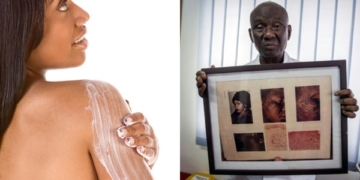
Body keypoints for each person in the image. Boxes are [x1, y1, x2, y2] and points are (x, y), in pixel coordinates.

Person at [195, 1, 358, 180]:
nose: (269, 34)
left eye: (277, 26)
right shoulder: (235, 81)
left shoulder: (314, 80)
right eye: (259, 27)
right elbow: (229, 129)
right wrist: (211, 97)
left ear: (288, 32)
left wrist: (339, 107)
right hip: (249, 175)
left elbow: (325, 127)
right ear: (251, 35)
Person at [0, 0, 158, 179]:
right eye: (61, 5)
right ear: (15, 25)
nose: (84, 15)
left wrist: (137, 163)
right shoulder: (93, 101)